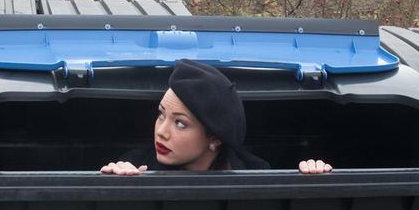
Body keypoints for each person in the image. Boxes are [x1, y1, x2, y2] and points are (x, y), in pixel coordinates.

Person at [100, 59, 332, 175]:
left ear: (215, 138)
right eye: (161, 115)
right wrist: (115, 182)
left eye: (180, 123)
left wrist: (311, 177)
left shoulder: (253, 172)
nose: (161, 131)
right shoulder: (136, 163)